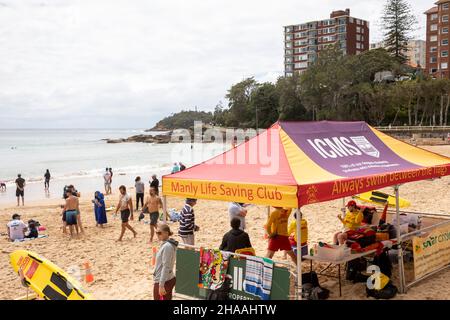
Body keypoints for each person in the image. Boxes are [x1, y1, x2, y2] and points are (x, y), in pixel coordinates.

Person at [153, 223, 178, 300]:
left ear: (166, 233)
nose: (157, 235)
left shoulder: (167, 246)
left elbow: (166, 266)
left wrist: (161, 285)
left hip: (164, 281)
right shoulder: (166, 244)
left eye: (159, 233)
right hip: (167, 279)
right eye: (156, 233)